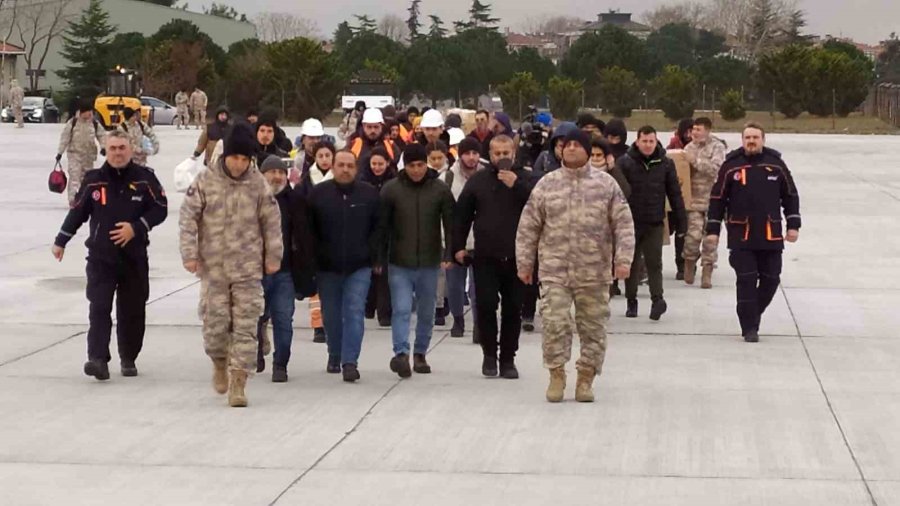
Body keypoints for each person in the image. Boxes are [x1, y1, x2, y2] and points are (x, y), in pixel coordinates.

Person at [516, 129, 635, 403]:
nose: (569, 149)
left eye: (575, 145)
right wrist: (525, 262)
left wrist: (623, 260)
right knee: (555, 324)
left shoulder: (606, 185)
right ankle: (556, 375)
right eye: (564, 145)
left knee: (593, 328)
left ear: (586, 150)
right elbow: (528, 226)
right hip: (555, 270)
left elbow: (624, 224)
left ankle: (586, 378)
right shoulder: (547, 184)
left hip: (594, 272)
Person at [179, 122, 283, 408]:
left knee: (247, 326)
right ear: (225, 156)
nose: (238, 164)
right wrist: (189, 253)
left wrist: (273, 256)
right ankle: (219, 360)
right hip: (214, 269)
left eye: (244, 159)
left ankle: (239, 381)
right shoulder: (205, 180)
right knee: (215, 325)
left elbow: (272, 223)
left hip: (248, 269)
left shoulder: (258, 184)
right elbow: (188, 218)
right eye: (234, 157)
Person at [51, 130, 168, 380]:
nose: (117, 153)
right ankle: (97, 359)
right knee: (99, 307)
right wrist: (61, 240)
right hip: (101, 257)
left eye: (122, 148)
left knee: (132, 309)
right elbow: (78, 212)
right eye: (113, 148)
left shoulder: (145, 179)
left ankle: (128, 357)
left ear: (130, 149)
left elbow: (161, 208)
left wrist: (136, 228)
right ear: (106, 149)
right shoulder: (94, 179)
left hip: (133, 258)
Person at [707, 123, 801, 343]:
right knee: (746, 281)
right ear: (742, 140)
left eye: (755, 137)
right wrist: (713, 229)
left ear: (763, 140)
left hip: (771, 234)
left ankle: (752, 313)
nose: (751, 141)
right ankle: (749, 327)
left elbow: (790, 195)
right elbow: (717, 199)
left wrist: (793, 225)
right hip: (742, 235)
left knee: (771, 279)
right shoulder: (731, 166)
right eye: (747, 137)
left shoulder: (775, 164)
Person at [454, 135, 532, 379]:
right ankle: (489, 355)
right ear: (490, 155)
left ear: (514, 153)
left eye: (505, 153)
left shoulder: (526, 178)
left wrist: (516, 185)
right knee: (486, 305)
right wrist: (457, 247)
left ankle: (508, 359)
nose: (501, 158)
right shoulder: (478, 180)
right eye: (496, 153)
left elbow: (539, 206)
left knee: (512, 309)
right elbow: (462, 216)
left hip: (518, 257)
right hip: (485, 256)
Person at [378, 144, 454, 378]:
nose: (417, 170)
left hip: (430, 261)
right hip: (399, 261)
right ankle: (401, 353)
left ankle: (420, 352)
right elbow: (382, 227)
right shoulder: (391, 190)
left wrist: (449, 252)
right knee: (401, 309)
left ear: (426, 164)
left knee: (426, 310)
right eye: (412, 166)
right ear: (405, 166)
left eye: (421, 165)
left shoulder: (439, 190)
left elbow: (451, 224)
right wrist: (379, 258)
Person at [309, 150, 381, 382]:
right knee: (330, 315)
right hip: (327, 267)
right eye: (341, 165)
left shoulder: (369, 195)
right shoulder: (318, 194)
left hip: (359, 266)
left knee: (354, 311)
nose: (345, 169)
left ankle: (350, 361)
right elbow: (309, 231)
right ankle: (334, 353)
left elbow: (379, 229)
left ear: (356, 169)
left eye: (350, 165)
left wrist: (375, 256)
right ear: (333, 166)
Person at [617, 126, 687, 320]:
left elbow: (675, 194)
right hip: (630, 223)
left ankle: (658, 300)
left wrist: (682, 222)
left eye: (651, 141)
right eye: (644, 141)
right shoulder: (625, 162)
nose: (648, 145)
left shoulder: (665, 164)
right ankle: (631, 301)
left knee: (654, 263)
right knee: (632, 264)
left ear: (656, 142)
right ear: (637, 142)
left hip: (655, 222)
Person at [255, 157, 295, 382]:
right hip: (256, 272)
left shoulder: (294, 201)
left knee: (283, 319)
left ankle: (281, 364)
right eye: (272, 172)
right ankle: (257, 350)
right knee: (256, 317)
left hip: (284, 272)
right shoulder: (251, 200)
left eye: (281, 172)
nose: (278, 176)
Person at [441, 137, 484, 340]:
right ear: (460, 155)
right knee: (455, 286)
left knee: (479, 288)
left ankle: (479, 325)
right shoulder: (447, 178)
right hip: (455, 239)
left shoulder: (487, 174)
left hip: (481, 239)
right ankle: (458, 319)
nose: (472, 157)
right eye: (467, 153)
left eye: (475, 153)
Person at [294, 141, 336, 344]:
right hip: (313, 239)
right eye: (321, 156)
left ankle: (333, 322)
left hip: (334, 239)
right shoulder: (306, 181)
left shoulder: (340, 178)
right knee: (316, 290)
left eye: (328, 155)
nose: (325, 160)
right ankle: (318, 325)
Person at [682, 117, 727, 288]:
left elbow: (716, 169)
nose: (694, 133)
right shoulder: (688, 148)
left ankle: (707, 271)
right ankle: (689, 262)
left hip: (713, 201)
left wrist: (695, 161)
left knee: (710, 239)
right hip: (693, 200)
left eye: (698, 129)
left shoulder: (717, 147)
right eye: (693, 129)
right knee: (692, 236)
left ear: (707, 131)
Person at [360, 147, 396, 327]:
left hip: (387, 230)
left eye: (380, 164)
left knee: (383, 273)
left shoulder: (394, 181)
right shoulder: (362, 180)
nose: (377, 167)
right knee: (369, 271)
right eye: (374, 163)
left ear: (387, 163)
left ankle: (385, 313)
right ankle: (368, 306)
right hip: (366, 229)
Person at [56, 100, 106, 205]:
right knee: (75, 176)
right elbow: (65, 138)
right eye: (88, 111)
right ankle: (73, 199)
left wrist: (104, 147)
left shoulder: (94, 123)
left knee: (86, 179)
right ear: (82, 112)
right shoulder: (73, 123)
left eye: (91, 112)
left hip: (88, 157)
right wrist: (60, 153)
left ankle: (84, 199)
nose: (90, 114)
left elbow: (102, 136)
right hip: (75, 154)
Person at [426, 141, 451, 326]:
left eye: (439, 158)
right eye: (432, 158)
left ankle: (442, 304)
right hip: (429, 229)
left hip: (445, 229)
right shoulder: (423, 177)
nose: (435, 162)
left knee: (444, 271)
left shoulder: (449, 177)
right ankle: (436, 305)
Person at [292, 118, 325, 183]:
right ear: (303, 140)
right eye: (311, 138)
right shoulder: (296, 159)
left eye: (318, 138)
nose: (315, 141)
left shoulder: (328, 159)